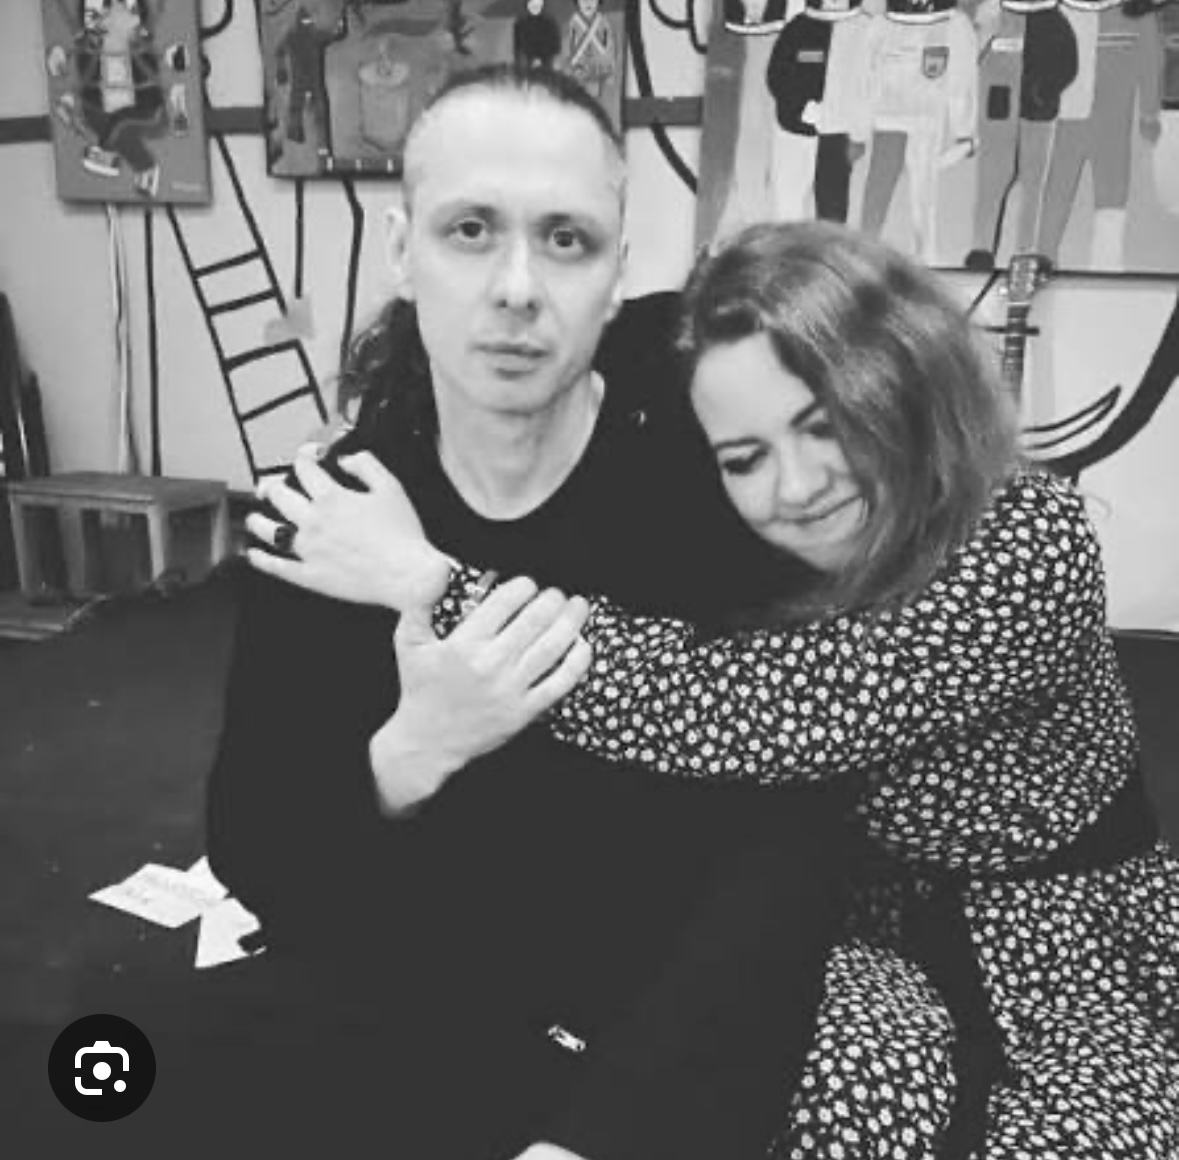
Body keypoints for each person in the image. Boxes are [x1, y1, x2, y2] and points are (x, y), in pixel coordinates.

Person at [259, 221, 1179, 1159]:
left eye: (825, 423)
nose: (797, 486)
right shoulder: (751, 545)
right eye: (744, 458)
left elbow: (755, 712)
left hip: (1067, 937)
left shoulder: (1026, 534)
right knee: (829, 1097)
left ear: (908, 382)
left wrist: (424, 577)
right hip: (855, 924)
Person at [197, 66, 856, 1160]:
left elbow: (783, 849)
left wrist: (605, 1130)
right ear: (402, 251)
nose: (516, 288)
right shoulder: (328, 515)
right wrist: (411, 751)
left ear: (617, 272)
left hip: (666, 1019)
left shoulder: (704, 481)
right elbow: (255, 848)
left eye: (565, 239)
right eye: (470, 230)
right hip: (423, 1001)